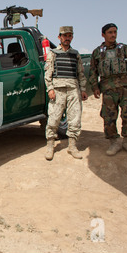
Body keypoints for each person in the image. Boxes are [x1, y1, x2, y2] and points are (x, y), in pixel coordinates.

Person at [89, 23, 127, 156]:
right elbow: (93, 72)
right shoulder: (97, 52)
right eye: (110, 32)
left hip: (126, 88)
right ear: (103, 34)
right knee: (108, 117)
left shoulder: (124, 49)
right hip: (108, 89)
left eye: (115, 32)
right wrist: (95, 87)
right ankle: (114, 142)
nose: (113, 35)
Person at [44, 26, 88, 160]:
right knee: (54, 118)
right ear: (59, 37)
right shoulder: (53, 53)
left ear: (72, 37)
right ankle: (50, 146)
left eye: (69, 35)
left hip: (73, 89)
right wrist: (50, 88)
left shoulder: (75, 54)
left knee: (75, 118)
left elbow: (80, 73)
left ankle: (72, 146)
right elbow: (48, 73)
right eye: (64, 35)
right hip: (58, 90)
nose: (67, 38)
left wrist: (83, 89)